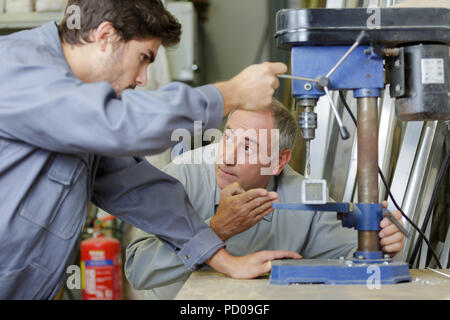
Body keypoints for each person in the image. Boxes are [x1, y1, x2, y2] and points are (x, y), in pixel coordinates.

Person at [0, 0, 300, 299]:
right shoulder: (16, 68)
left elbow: (140, 191)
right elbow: (122, 123)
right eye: (143, 57)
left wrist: (225, 261)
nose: (142, 79)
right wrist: (230, 94)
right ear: (105, 36)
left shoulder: (81, 109)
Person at [125, 100, 405, 299]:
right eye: (229, 136)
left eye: (247, 146)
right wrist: (216, 229)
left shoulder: (301, 198)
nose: (227, 156)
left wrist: (380, 242)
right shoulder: (182, 177)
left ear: (278, 161)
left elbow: (349, 256)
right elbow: (138, 270)